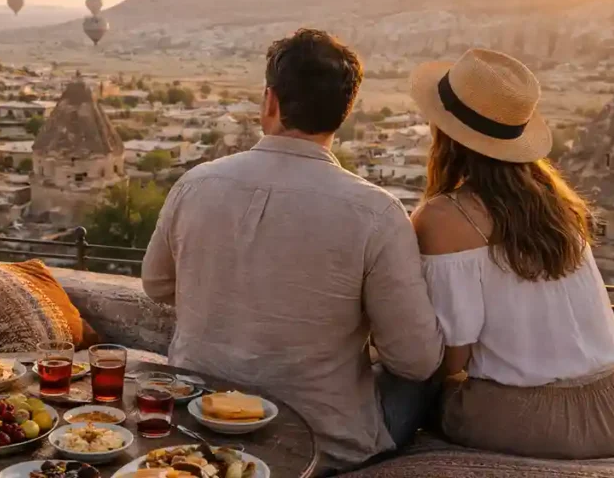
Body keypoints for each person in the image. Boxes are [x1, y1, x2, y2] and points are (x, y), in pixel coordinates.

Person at [142, 28, 444, 472]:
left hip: (198, 423)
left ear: (270, 102)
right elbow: (414, 361)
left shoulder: (196, 183)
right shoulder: (376, 212)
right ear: (345, 112)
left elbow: (156, 284)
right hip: (320, 445)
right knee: (431, 366)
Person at [409, 48, 614, 459]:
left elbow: (451, 359)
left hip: (530, 419)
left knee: (398, 394)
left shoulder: (446, 216)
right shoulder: (557, 205)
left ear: (444, 133)